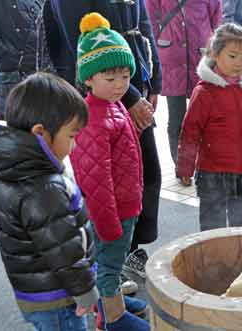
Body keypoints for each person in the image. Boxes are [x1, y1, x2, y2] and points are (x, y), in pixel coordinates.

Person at [45, 0, 162, 280]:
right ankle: (110, 262)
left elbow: (143, 23)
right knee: (107, 177)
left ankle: (126, 248)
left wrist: (153, 78)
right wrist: (129, 94)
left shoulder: (120, 87)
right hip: (108, 86)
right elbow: (79, 42)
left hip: (126, 80)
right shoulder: (99, 105)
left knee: (141, 169)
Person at [0, 72, 98, 331]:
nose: (74, 146)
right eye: (71, 136)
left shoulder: (12, 169)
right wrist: (85, 292)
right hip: (57, 297)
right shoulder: (43, 188)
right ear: (41, 133)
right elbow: (63, 251)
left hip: (35, 290)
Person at [69, 13, 150, 331]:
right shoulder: (92, 118)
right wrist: (108, 223)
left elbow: (119, 154)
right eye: (109, 76)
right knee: (108, 264)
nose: (119, 85)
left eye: (124, 76)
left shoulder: (112, 106)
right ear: (88, 78)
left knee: (111, 263)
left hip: (124, 204)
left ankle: (111, 298)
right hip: (112, 212)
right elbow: (95, 180)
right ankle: (113, 318)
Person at [176, 23, 242, 231]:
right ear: (215, 54)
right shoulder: (204, 92)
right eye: (232, 56)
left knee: (241, 227)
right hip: (212, 174)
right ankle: (212, 262)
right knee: (212, 228)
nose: (239, 63)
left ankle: (238, 262)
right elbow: (190, 133)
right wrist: (185, 167)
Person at [146, 0, 221, 172]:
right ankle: (183, 166)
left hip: (200, 59)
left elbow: (216, 20)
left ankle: (205, 162)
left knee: (205, 117)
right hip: (173, 62)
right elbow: (150, 22)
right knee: (176, 118)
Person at [0, 0, 52, 119]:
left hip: (38, 70)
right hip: (11, 73)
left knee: (39, 123)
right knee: (14, 127)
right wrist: (5, 57)